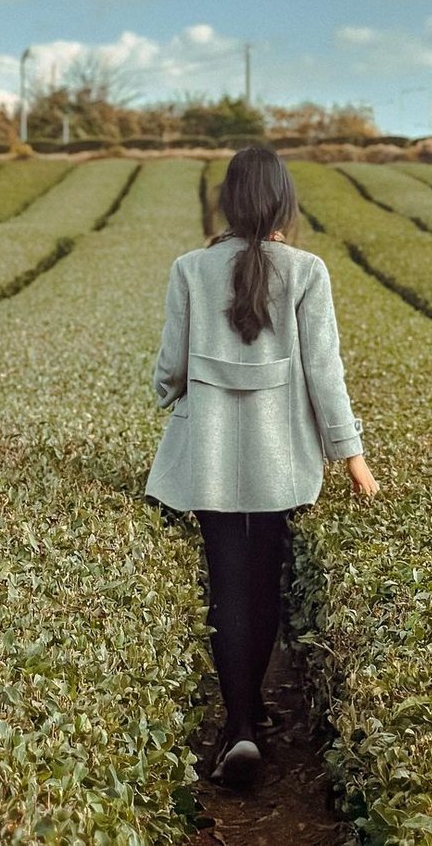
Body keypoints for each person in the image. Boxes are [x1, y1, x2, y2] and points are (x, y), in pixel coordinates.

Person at [144, 146, 379, 787]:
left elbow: (169, 371)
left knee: (227, 586)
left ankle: (241, 723)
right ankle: (252, 721)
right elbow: (325, 372)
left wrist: (173, 389)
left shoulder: (190, 268)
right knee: (265, 581)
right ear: (282, 204)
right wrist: (351, 456)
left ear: (227, 202)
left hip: (209, 457)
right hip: (282, 460)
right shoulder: (307, 271)